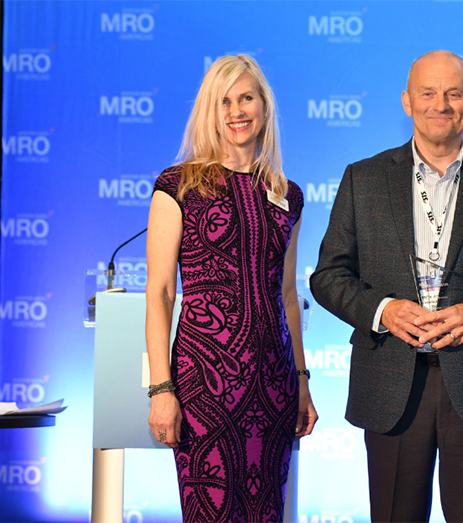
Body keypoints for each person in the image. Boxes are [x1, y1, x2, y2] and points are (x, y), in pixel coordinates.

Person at [310, 50, 463, 523]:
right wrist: (382, 309)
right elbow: (328, 276)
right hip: (391, 382)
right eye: (428, 93)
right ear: (407, 101)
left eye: (453, 94)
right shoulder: (362, 178)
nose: (440, 104)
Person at [145, 54, 317, 522]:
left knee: (266, 513)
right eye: (224, 101)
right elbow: (160, 293)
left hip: (273, 385)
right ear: (209, 109)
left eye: (247, 97)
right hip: (204, 384)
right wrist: (161, 389)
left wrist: (301, 383)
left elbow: (286, 293)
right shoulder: (176, 185)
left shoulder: (289, 193)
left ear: (264, 106)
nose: (237, 111)